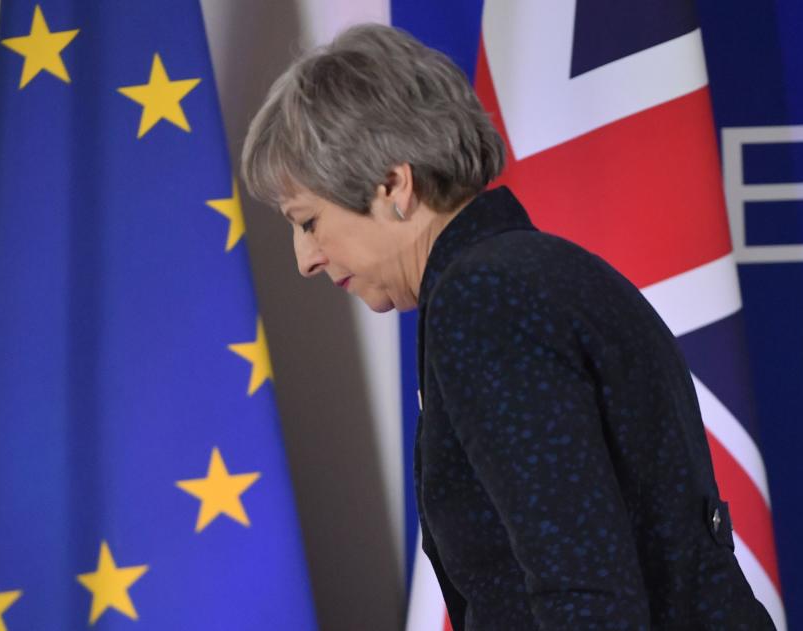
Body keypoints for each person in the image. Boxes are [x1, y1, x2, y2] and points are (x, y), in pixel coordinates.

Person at [241, 23, 775, 631]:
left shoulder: (485, 301)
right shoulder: (538, 274)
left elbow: (585, 597)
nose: (304, 259)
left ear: (393, 185)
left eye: (307, 221)